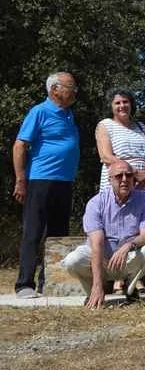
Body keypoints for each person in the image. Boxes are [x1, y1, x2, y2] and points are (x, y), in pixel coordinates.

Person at [13, 72, 80, 299]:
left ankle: (49, 282)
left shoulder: (69, 114)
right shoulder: (39, 111)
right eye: (70, 87)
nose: (75, 91)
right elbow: (20, 146)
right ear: (55, 90)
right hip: (40, 179)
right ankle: (24, 284)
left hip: (64, 181)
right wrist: (21, 179)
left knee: (58, 233)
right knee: (33, 232)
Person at [62, 161, 145, 307]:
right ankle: (95, 291)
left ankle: (130, 288)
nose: (125, 179)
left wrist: (128, 245)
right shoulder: (96, 203)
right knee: (72, 261)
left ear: (134, 178)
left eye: (129, 175)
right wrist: (97, 283)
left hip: (128, 257)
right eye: (119, 176)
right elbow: (97, 244)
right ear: (110, 180)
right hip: (102, 256)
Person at [95, 90, 145, 199]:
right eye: (117, 103)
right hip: (119, 179)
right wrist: (134, 173)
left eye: (125, 102)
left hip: (144, 182)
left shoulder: (141, 126)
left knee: (144, 214)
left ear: (131, 104)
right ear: (111, 106)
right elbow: (106, 156)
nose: (122, 105)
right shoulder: (105, 125)